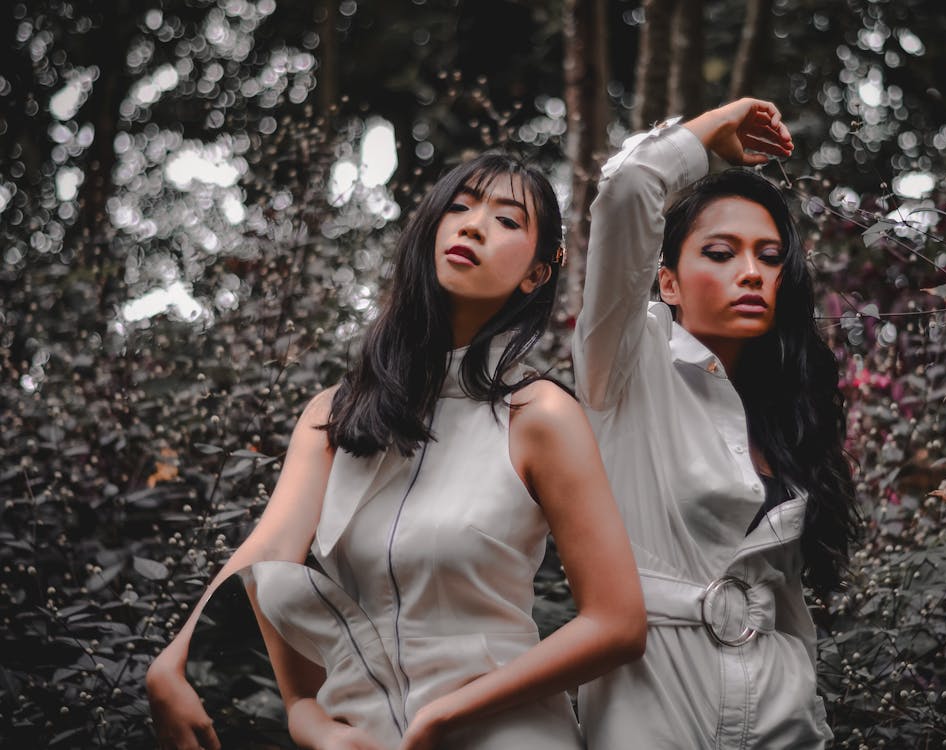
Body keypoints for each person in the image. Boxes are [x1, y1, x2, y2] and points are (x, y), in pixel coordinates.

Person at [146, 152, 647, 750]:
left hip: (507, 734)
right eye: (459, 207)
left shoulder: (539, 415)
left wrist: (444, 715)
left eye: (508, 220)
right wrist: (200, 672)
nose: (473, 225)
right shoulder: (334, 417)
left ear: (536, 275)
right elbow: (266, 565)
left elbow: (617, 623)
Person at [573, 98, 860, 749]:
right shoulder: (624, 369)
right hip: (651, 714)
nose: (751, 272)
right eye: (722, 253)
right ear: (667, 282)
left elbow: (786, 603)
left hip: (784, 720)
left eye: (769, 256)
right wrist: (711, 135)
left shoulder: (790, 409)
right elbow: (626, 189)